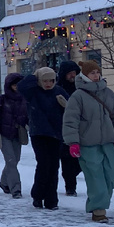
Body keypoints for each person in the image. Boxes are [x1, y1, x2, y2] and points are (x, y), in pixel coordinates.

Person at [62, 60, 114, 223]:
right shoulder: (78, 96)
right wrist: (73, 142)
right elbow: (71, 120)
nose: (96, 75)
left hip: (107, 142)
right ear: (85, 75)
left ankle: (98, 203)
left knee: (112, 175)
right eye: (92, 73)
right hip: (87, 144)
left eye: (97, 72)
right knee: (96, 177)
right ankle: (99, 211)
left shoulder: (108, 93)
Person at [17, 66, 70, 210]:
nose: (48, 84)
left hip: (56, 134)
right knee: (44, 164)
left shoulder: (59, 91)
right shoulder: (33, 92)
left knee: (54, 167)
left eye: (51, 80)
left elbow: (73, 108)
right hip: (39, 133)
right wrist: (34, 76)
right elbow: (21, 87)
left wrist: (66, 106)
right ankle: (38, 196)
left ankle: (51, 200)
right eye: (45, 80)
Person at [0, 72, 28, 198]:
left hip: (17, 134)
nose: (16, 87)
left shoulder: (24, 100)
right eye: (14, 85)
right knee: (11, 161)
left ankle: (4, 183)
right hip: (3, 135)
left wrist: (27, 125)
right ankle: (16, 189)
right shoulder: (1, 100)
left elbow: (27, 116)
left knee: (15, 160)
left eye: (18, 85)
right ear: (9, 86)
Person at [56, 59, 82, 196]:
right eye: (70, 73)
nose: (73, 76)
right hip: (63, 129)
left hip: (81, 128)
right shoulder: (58, 89)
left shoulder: (81, 88)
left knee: (80, 159)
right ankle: (70, 186)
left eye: (75, 73)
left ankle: (73, 176)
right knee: (67, 159)